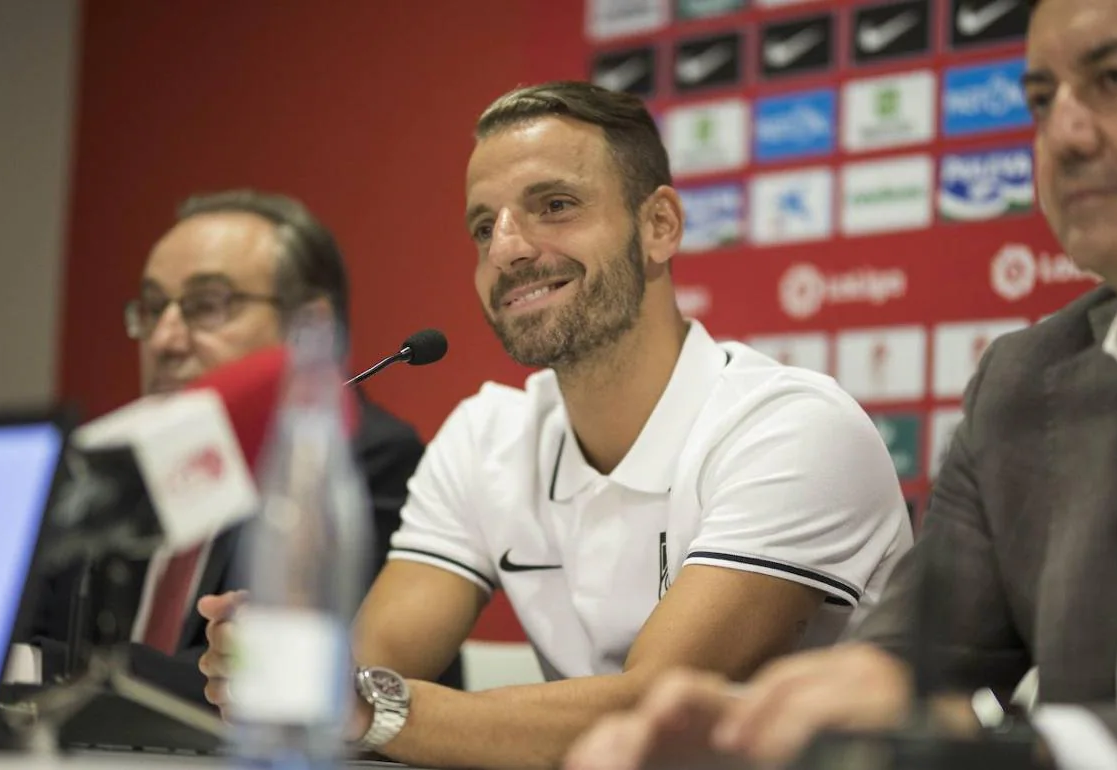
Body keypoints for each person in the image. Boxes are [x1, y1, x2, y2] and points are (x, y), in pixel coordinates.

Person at [564, 1, 1117, 769]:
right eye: (1042, 100)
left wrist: (1038, 752)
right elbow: (901, 669)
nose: (1064, 136)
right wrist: (760, 732)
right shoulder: (1029, 386)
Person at [196, 82, 914, 769]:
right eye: (485, 226)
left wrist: (357, 704)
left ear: (659, 225)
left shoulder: (791, 429)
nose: (507, 248)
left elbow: (655, 715)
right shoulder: (485, 435)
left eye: (555, 205)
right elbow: (374, 668)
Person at [27, 189, 462, 704]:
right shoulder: (115, 461)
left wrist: (34, 665)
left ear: (311, 328)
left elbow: (311, 675)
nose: (165, 339)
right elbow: (26, 619)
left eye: (206, 306)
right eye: (152, 308)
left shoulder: (366, 456)